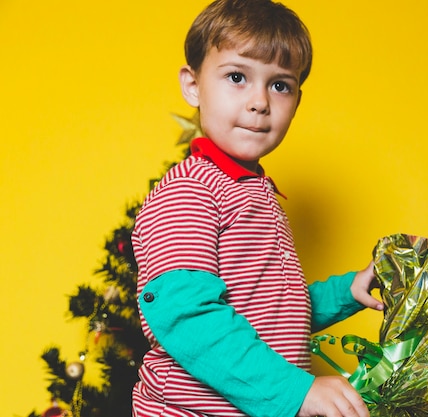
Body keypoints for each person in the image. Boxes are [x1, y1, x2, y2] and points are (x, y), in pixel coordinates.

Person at [131, 0, 383, 416]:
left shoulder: (254, 192)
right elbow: (187, 317)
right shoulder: (189, 191)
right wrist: (297, 391)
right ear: (193, 85)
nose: (259, 102)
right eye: (236, 77)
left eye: (280, 85)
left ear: (297, 101)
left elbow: (267, 308)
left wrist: (346, 291)